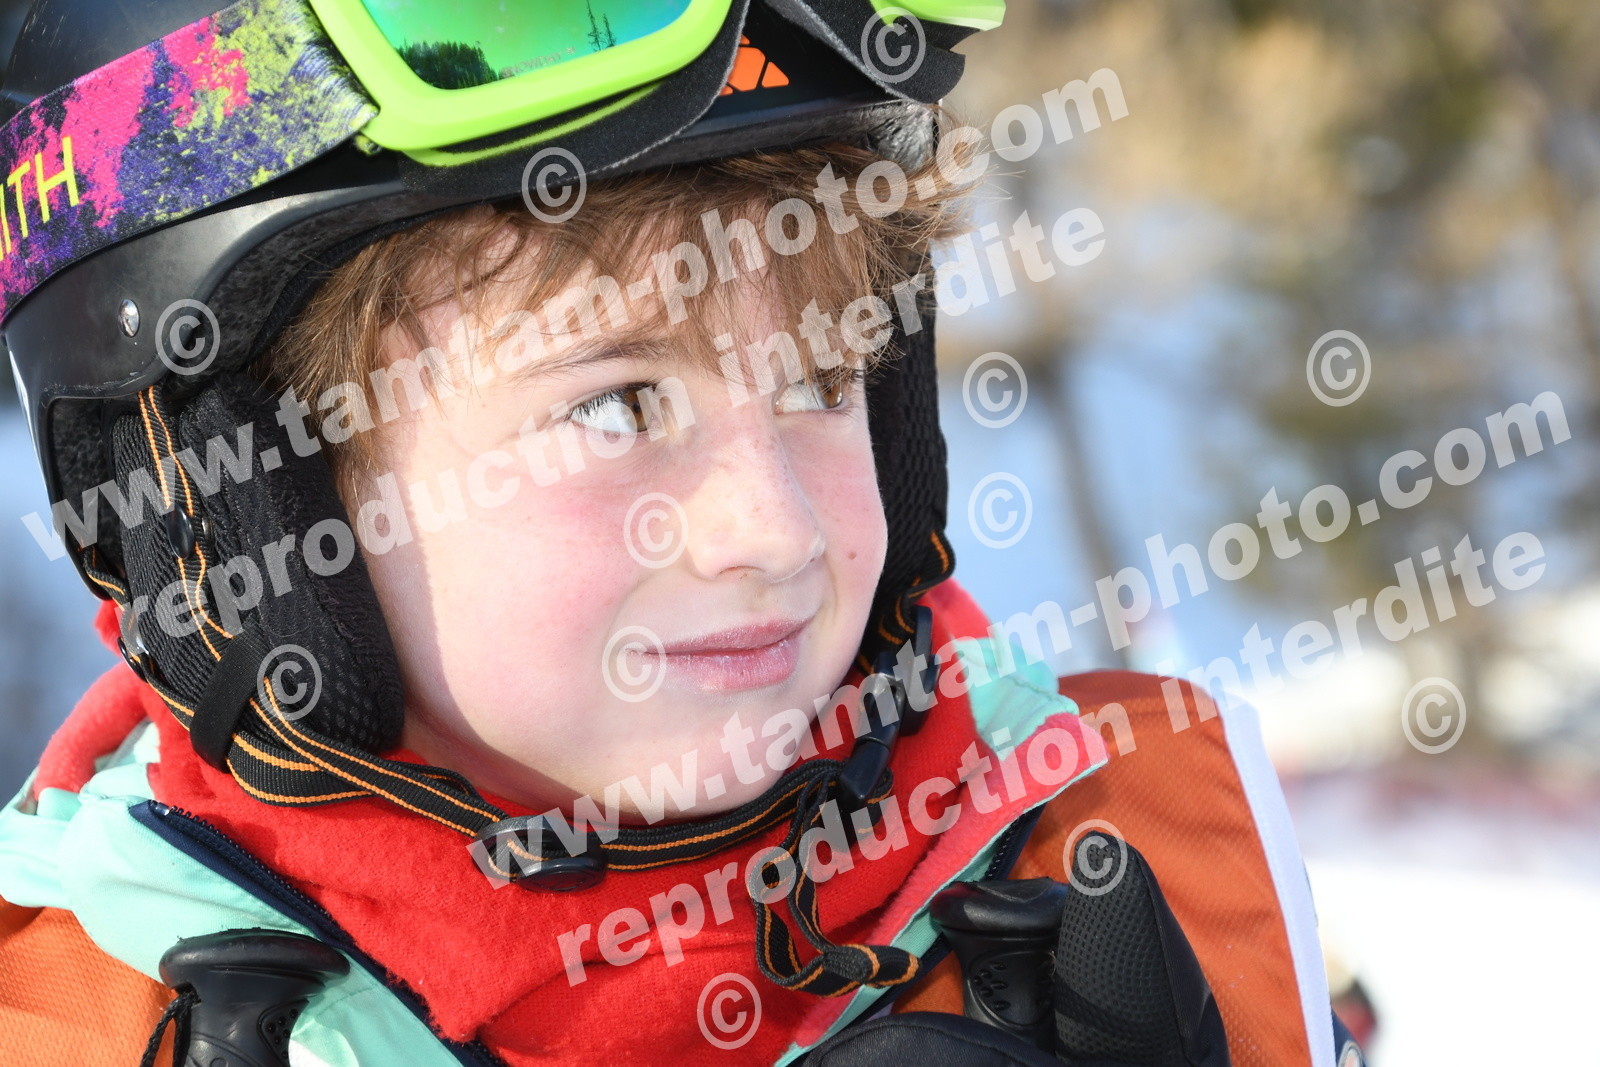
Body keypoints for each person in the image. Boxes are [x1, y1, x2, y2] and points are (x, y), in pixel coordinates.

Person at [0, 2, 1357, 1064]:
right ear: (237, 501)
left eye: (826, 380)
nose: (771, 530)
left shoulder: (1156, 852)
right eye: (617, 407)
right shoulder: (64, 1020)